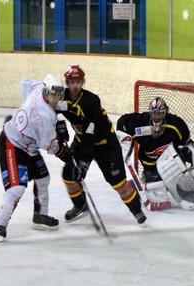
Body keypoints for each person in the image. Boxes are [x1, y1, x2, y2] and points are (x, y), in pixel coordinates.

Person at [58, 65, 146, 225]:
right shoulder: (62, 96)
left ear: (83, 82)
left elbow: (90, 135)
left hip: (106, 146)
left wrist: (83, 163)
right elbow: (50, 109)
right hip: (81, 141)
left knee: (118, 183)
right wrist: (59, 126)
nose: (74, 86)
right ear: (67, 83)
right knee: (69, 175)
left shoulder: (91, 101)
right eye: (71, 82)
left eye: (78, 82)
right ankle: (80, 205)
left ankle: (136, 209)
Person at [0, 74, 72, 242]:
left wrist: (57, 122)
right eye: (54, 95)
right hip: (12, 144)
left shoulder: (36, 88)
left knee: (43, 178)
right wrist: (63, 151)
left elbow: (24, 83)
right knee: (17, 188)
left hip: (30, 146)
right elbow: (49, 146)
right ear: (47, 90)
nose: (57, 98)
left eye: (59, 95)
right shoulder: (44, 116)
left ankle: (40, 216)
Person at [116, 96, 194, 211]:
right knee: (158, 193)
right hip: (151, 167)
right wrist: (122, 138)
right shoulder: (140, 122)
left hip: (171, 166)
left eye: (159, 114)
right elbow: (122, 121)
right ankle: (144, 183)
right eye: (153, 114)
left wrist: (191, 152)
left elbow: (186, 143)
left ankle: (184, 189)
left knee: (178, 159)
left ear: (165, 113)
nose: (156, 117)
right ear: (150, 113)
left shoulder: (176, 124)